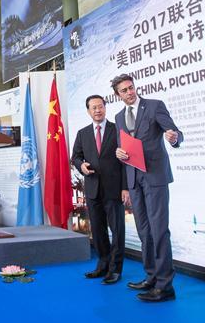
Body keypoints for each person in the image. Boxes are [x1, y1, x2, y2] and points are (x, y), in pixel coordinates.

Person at [112, 73, 183, 303]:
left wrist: (173, 138)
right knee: (144, 231)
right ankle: (151, 277)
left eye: (131, 87)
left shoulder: (154, 106)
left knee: (159, 231)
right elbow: (124, 148)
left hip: (155, 177)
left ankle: (165, 286)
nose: (129, 92)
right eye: (124, 90)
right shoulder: (119, 117)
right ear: (118, 95)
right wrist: (119, 153)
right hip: (134, 180)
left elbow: (175, 132)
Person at [71, 95, 126, 285]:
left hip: (114, 189)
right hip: (93, 188)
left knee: (117, 230)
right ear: (88, 111)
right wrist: (81, 166)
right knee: (98, 229)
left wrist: (125, 188)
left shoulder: (117, 130)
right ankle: (102, 265)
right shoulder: (82, 133)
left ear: (105, 108)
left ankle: (115, 269)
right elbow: (75, 157)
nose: (97, 110)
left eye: (100, 106)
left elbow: (126, 161)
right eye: (93, 108)